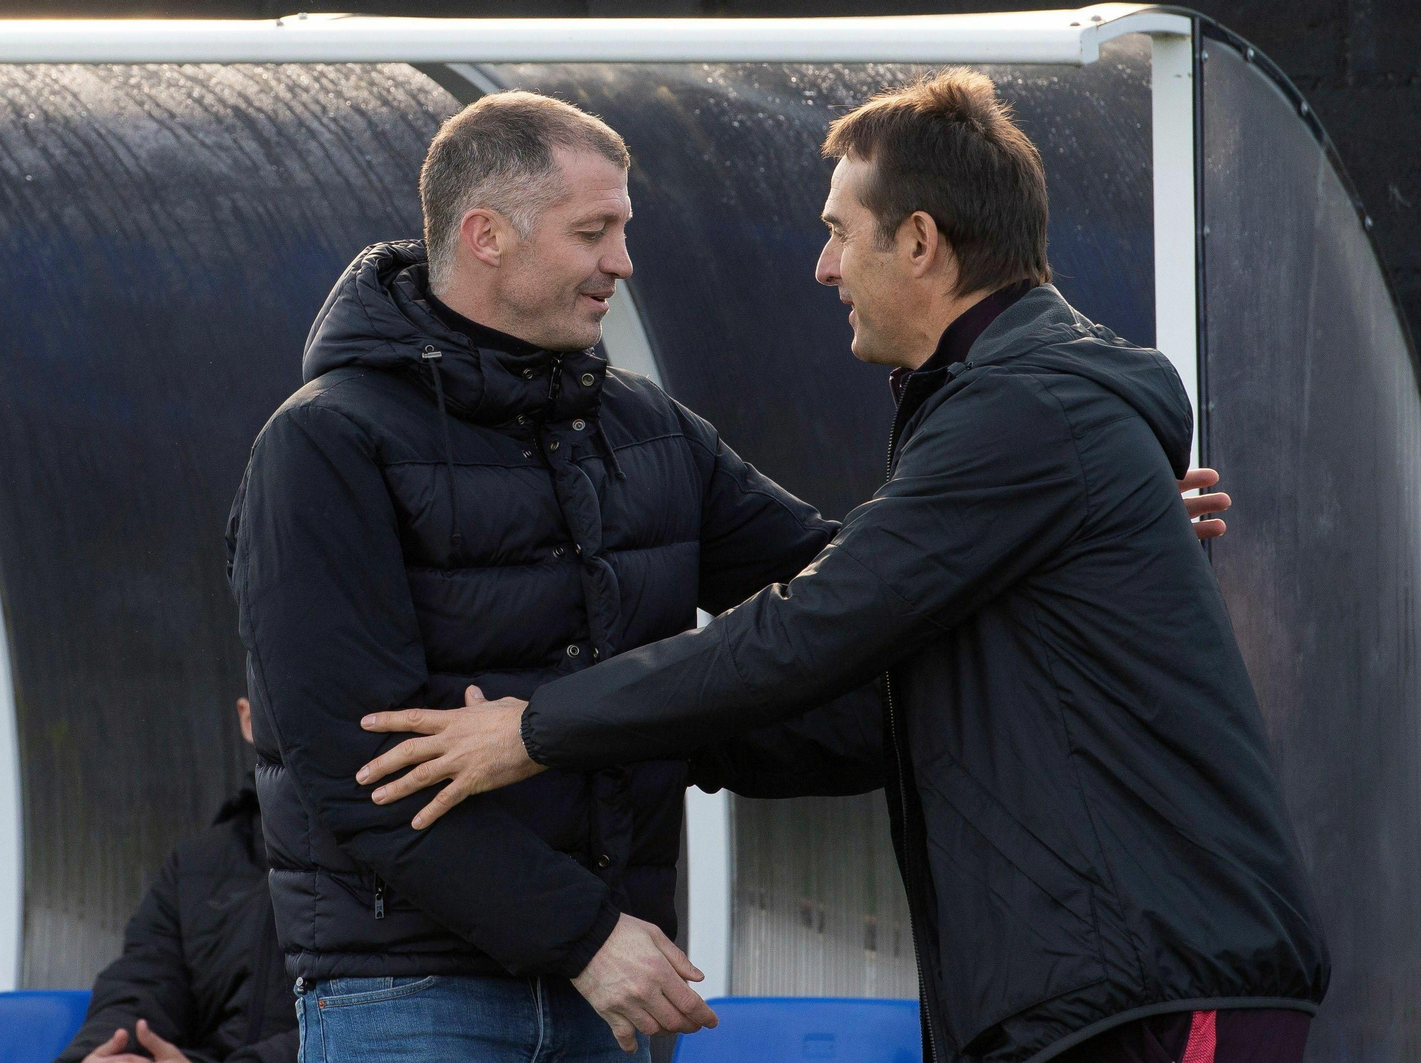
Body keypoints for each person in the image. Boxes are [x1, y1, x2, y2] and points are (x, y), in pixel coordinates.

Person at [227, 89, 1229, 1062]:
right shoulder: (326, 445)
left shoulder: (650, 431)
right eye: (592, 233)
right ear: (486, 235)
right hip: (417, 994)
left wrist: (1077, 539)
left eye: (623, 229)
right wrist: (578, 933)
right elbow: (356, 769)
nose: (621, 261)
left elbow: (866, 600)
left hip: (614, 992)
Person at [55, 698, 296, 1063]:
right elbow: (142, 985)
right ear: (249, 719)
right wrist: (109, 1053)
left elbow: (371, 1025)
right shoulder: (194, 866)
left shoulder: (391, 850)